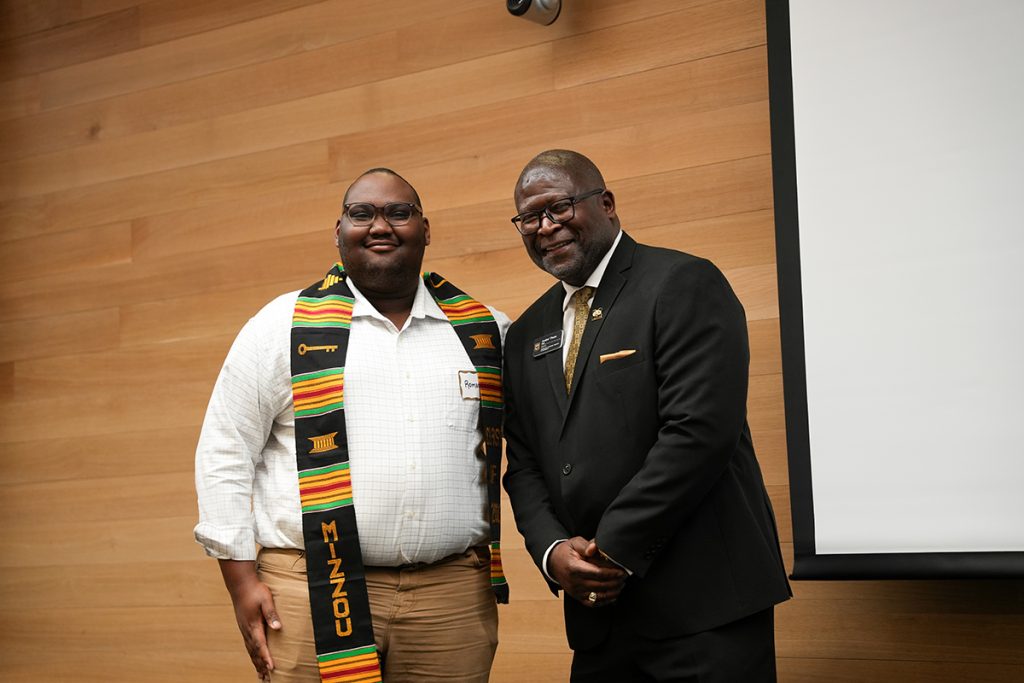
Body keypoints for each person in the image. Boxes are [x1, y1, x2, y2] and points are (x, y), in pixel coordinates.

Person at [194, 168, 510, 683]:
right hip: (309, 587)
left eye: (398, 212)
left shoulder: (487, 331)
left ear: (426, 229)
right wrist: (239, 579)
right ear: (338, 231)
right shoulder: (283, 324)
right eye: (362, 214)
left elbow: (537, 448)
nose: (379, 226)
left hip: (450, 597)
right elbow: (225, 451)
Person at [502, 150, 791, 681]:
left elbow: (700, 433)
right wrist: (552, 553)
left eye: (559, 206)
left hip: (705, 607)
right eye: (529, 218)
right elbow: (522, 465)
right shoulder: (524, 334)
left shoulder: (682, 282)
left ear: (606, 203)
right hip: (598, 617)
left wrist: (612, 546)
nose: (545, 227)